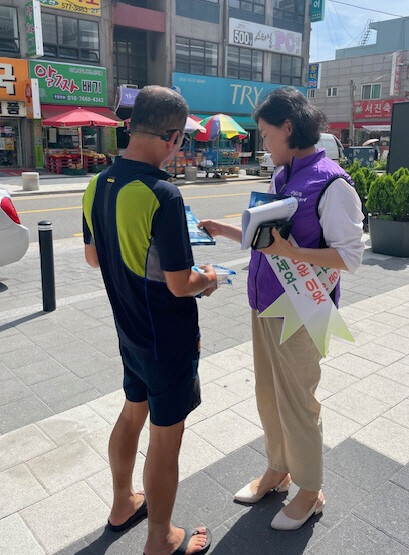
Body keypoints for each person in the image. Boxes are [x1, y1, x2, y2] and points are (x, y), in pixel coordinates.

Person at [199, 87, 364, 531]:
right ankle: (278, 469)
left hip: (302, 310)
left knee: (298, 402)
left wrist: (292, 253)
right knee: (269, 396)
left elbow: (350, 256)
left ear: (288, 128)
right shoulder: (282, 176)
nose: (264, 144)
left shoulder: (332, 183)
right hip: (264, 304)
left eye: (267, 134)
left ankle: (310, 490)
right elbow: (264, 240)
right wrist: (224, 230)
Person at [82, 85, 216, 555]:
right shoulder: (163, 194)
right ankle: (161, 538)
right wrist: (209, 278)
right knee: (166, 437)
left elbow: (93, 258)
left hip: (130, 333)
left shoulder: (98, 183)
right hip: (168, 338)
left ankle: (123, 503)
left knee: (131, 412)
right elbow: (180, 284)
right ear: (173, 136)